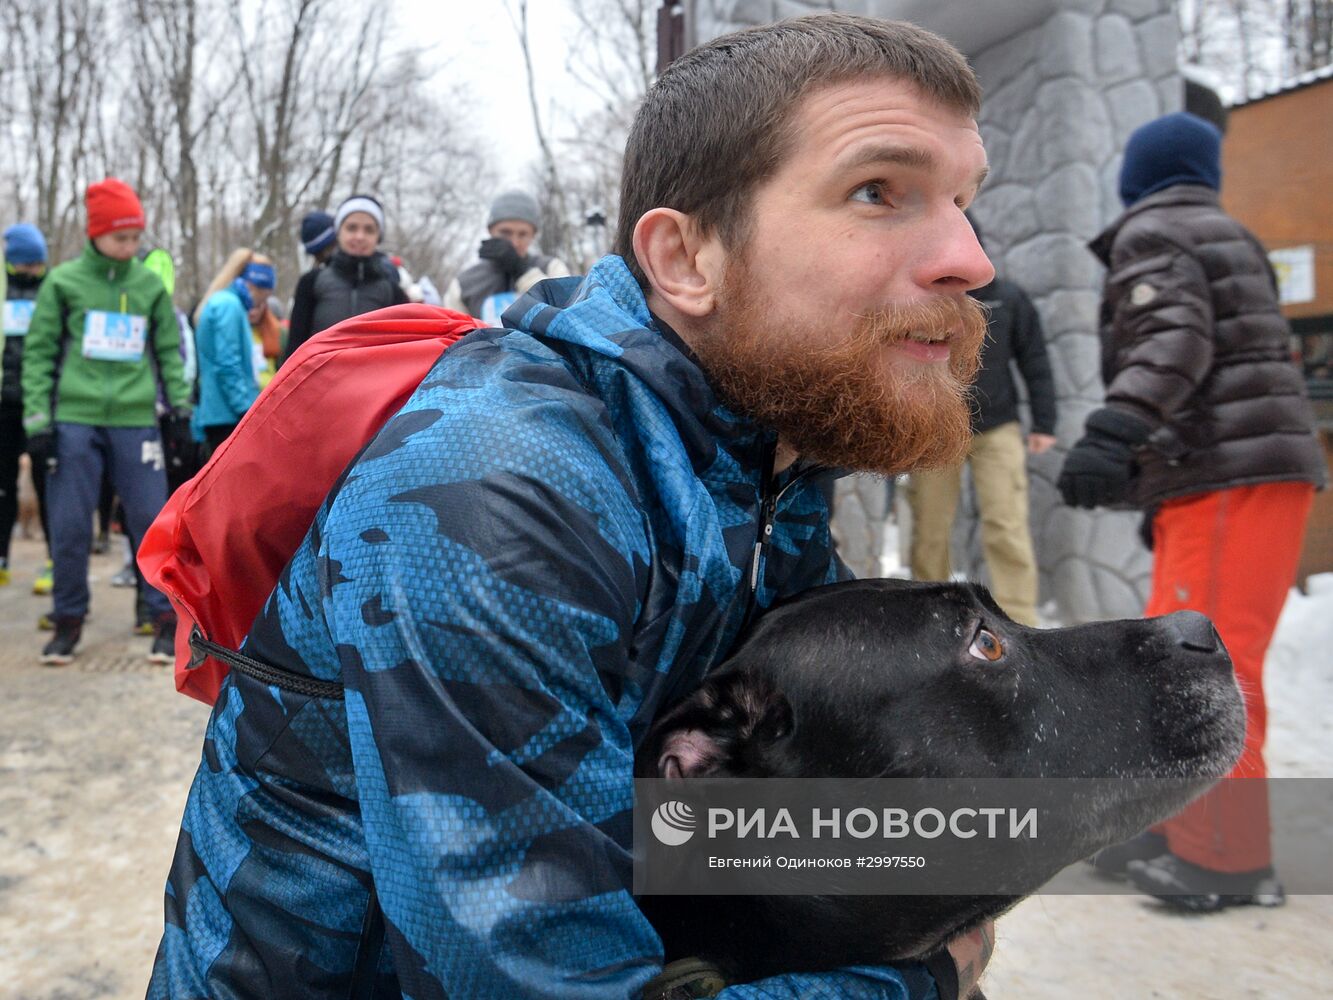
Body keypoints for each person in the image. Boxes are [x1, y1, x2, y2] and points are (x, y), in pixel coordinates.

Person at [150, 14, 997, 999]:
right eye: (877, 191)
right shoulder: (493, 498)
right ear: (685, 260)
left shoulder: (763, 454)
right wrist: (918, 979)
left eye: (964, 201)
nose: (967, 257)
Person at [1058, 111, 1327, 910]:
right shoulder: (1221, 231)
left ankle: (1227, 858)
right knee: (1173, 657)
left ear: (1137, 174)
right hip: (1223, 472)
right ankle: (1177, 824)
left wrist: (1114, 431)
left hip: (1225, 472)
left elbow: (1174, 342)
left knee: (1209, 668)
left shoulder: (1157, 233)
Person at [22, 177, 192, 666]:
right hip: (75, 420)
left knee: (149, 522)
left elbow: (167, 351)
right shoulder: (64, 282)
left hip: (136, 421)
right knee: (72, 525)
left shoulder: (147, 285)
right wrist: (39, 421)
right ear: (94, 234)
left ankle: (161, 619)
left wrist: (178, 408)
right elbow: (39, 353)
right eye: (120, 237)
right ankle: (68, 620)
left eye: (136, 237)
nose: (130, 247)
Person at [907, 216, 1056, 625]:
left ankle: (1020, 618)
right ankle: (929, 617)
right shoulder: (921, 299)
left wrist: (1045, 422)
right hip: (935, 428)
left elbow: (1035, 359)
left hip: (998, 429)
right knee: (931, 527)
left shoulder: (1009, 298)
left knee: (1005, 522)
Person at [282, 195, 407, 363]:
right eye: (351, 228)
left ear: (378, 237)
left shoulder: (393, 292)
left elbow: (401, 357)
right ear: (338, 232)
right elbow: (294, 349)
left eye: (369, 230)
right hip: (320, 386)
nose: (360, 236)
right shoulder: (311, 283)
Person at [1, 223, 51, 588]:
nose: (35, 268)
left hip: (40, 403)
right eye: (28, 263)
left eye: (39, 262)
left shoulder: (50, 291)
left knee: (46, 483)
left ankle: (54, 561)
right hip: (4, 401)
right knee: (3, 485)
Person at [192, 250, 276, 455]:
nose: (261, 303)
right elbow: (228, 363)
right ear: (257, 286)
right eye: (264, 295)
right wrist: (247, 410)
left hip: (222, 413)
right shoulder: (229, 306)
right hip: (227, 416)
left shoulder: (225, 302)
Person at [444, 189, 571, 324]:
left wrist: (522, 271)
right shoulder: (464, 284)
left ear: (533, 235)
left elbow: (566, 317)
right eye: (505, 233)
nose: (514, 243)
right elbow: (455, 336)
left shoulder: (552, 268)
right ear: (490, 231)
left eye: (523, 234)